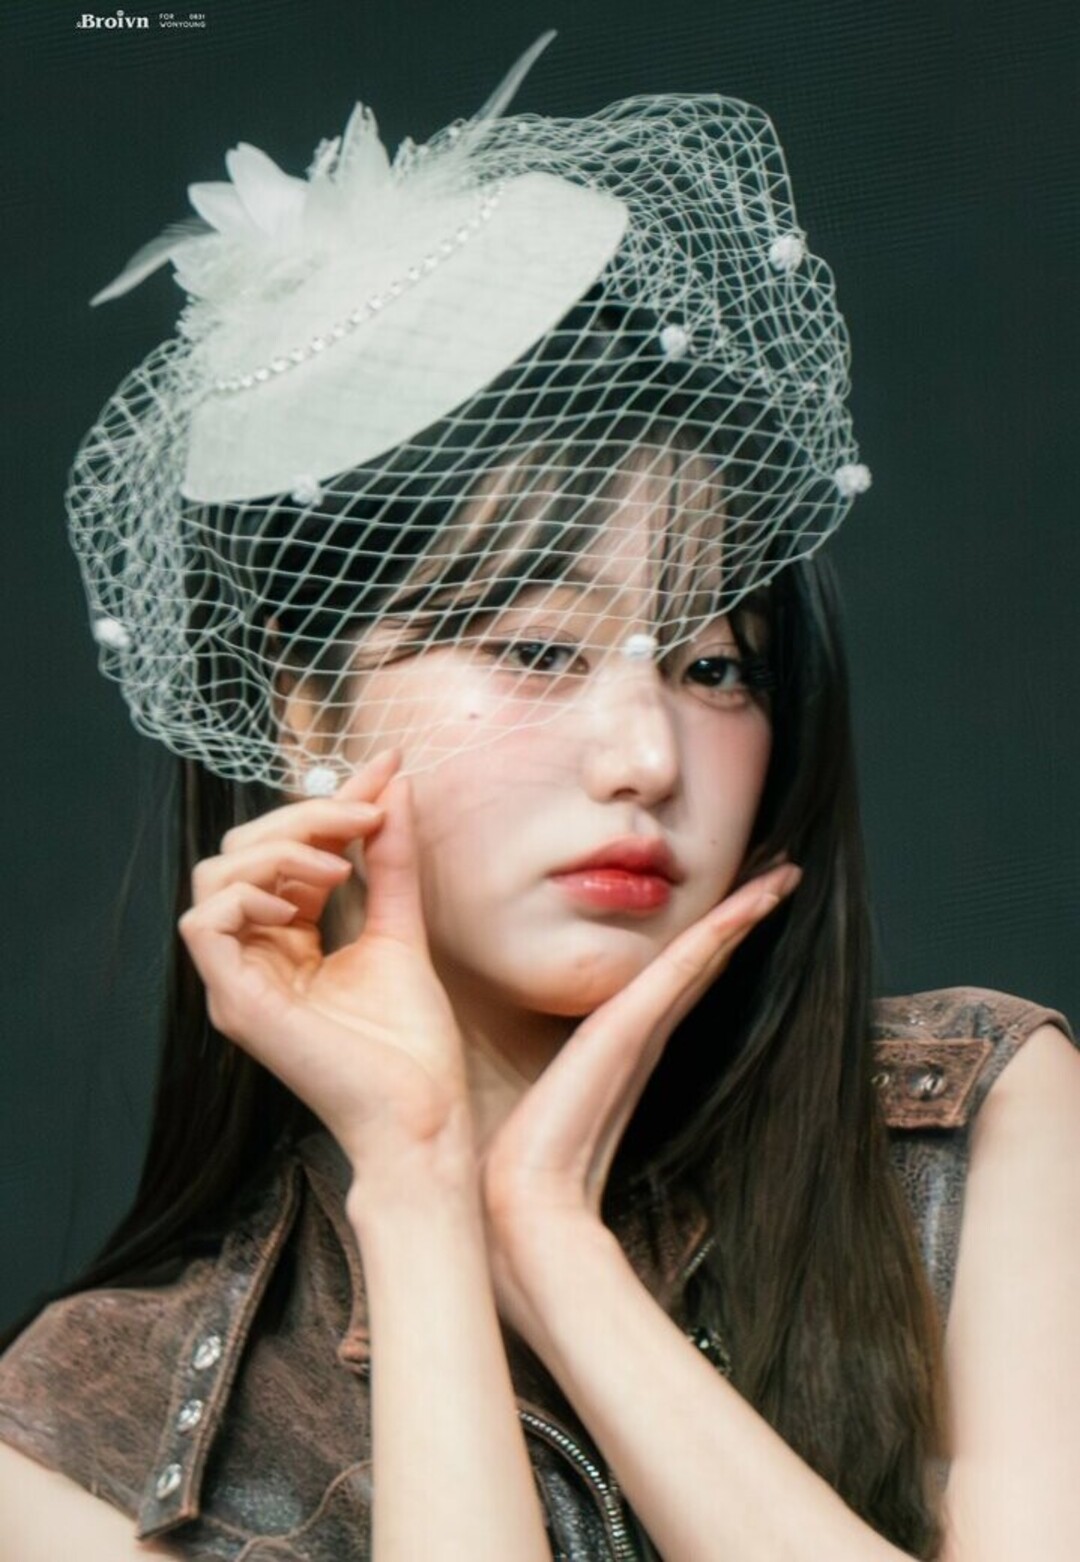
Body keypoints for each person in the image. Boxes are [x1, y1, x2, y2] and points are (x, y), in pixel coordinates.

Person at [0, 33, 1077, 1562]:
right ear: (304, 703)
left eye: (714, 665)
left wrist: (557, 1247)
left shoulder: (966, 1126)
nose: (646, 753)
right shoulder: (82, 1433)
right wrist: (422, 1185)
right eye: (535, 647)